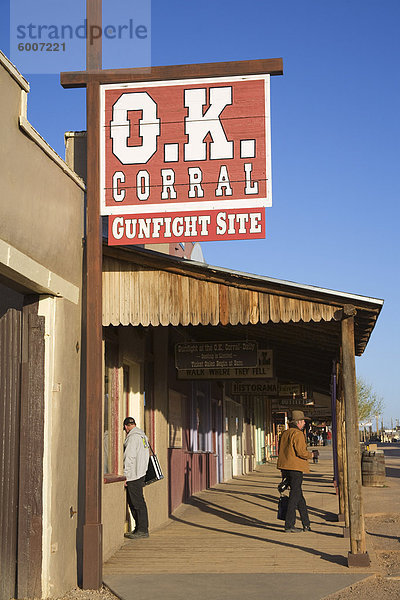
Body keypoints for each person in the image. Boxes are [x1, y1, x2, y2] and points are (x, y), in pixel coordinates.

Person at [277, 410, 313, 533]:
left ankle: (306, 523)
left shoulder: (285, 433)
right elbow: (301, 452)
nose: (304, 423)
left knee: (299, 496)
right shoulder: (298, 434)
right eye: (303, 421)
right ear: (298, 422)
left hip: (285, 467)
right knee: (294, 496)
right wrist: (312, 454)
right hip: (296, 468)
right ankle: (289, 524)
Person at [123, 416, 150, 539]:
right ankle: (139, 528)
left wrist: (125, 475)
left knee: (137, 503)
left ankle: (142, 530)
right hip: (141, 473)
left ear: (126, 427)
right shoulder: (143, 436)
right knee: (138, 502)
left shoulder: (133, 438)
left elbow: (129, 457)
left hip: (133, 475)